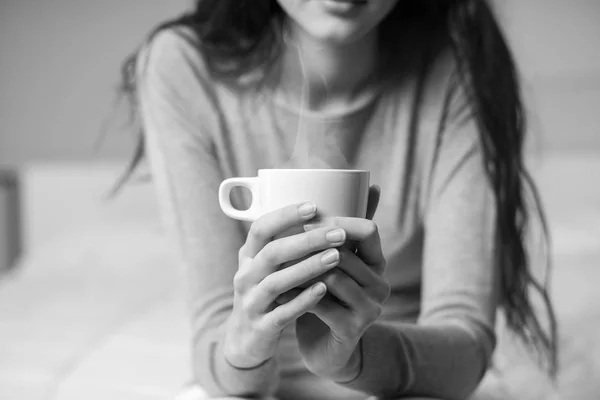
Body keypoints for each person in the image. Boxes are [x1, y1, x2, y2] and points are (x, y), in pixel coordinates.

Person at [117, 1, 558, 399]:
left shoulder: (457, 64)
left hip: (409, 378)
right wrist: (242, 346)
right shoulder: (183, 67)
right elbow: (213, 336)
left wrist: (356, 356)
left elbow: (466, 339)